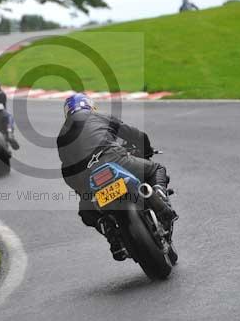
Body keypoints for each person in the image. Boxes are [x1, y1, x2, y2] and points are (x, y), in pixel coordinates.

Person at [57, 93, 177, 260]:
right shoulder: (97, 116)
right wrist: (147, 151)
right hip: (113, 158)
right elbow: (137, 135)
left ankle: (111, 233)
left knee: (86, 211)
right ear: (90, 105)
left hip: (85, 176)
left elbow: (66, 171)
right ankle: (161, 202)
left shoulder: (61, 136)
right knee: (156, 169)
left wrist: (81, 189)